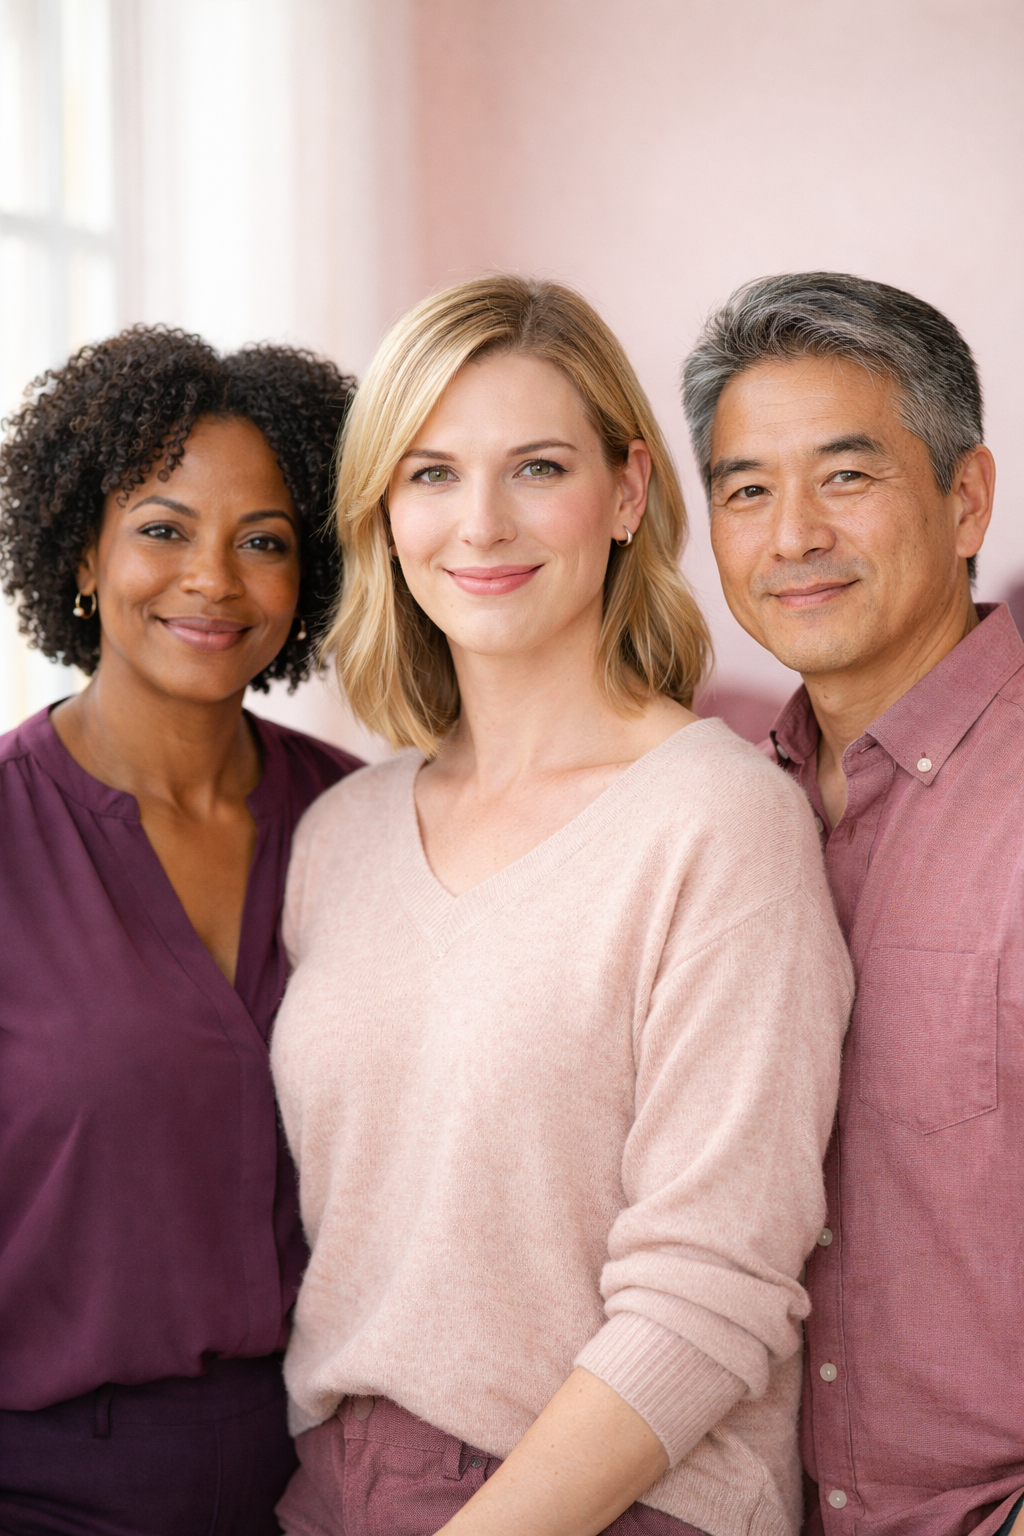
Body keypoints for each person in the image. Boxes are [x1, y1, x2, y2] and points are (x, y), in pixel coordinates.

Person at [269, 276, 853, 1536]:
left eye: (536, 466)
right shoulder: (341, 836)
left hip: (612, 1499)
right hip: (334, 1489)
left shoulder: (719, 823)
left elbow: (713, 1286)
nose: (478, 523)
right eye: (429, 473)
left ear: (629, 492)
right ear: (380, 510)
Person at [0, 327, 361, 1535]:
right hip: (47, 1483)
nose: (213, 578)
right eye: (162, 528)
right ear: (85, 557)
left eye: (262, 542)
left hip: (338, 1478)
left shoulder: (367, 826)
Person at [682, 272, 1024, 1536]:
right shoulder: (719, 811)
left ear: (964, 496)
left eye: (846, 476)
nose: (791, 538)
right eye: (746, 490)